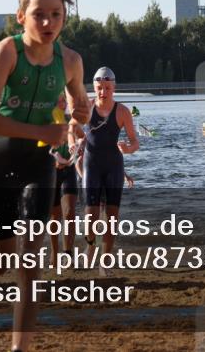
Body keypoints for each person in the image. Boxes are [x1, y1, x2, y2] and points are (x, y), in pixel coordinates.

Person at [0, 0, 90, 352]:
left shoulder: (70, 60)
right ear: (21, 16)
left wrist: (79, 116)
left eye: (56, 15)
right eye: (39, 14)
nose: (47, 23)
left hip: (40, 164)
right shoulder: (6, 52)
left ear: (64, 18)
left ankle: (19, 347)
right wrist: (44, 131)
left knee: (30, 261)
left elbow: (80, 105)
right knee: (2, 259)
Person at [78, 66, 140, 276]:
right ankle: (90, 245)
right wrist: (74, 143)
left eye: (107, 88)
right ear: (94, 88)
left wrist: (128, 149)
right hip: (91, 165)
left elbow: (135, 141)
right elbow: (72, 128)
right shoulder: (87, 107)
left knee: (112, 217)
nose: (103, 92)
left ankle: (105, 262)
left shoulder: (122, 111)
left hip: (114, 166)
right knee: (91, 216)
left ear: (114, 88)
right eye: (99, 88)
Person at [49, 94, 83, 259]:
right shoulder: (45, 122)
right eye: (58, 101)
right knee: (54, 216)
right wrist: (54, 159)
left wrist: (79, 146)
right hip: (51, 172)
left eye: (64, 101)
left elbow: (83, 136)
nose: (62, 104)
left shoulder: (71, 120)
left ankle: (67, 253)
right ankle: (54, 252)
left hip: (69, 170)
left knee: (69, 212)